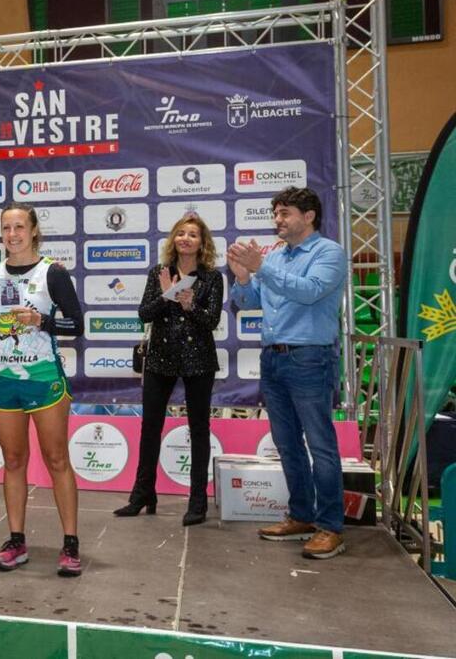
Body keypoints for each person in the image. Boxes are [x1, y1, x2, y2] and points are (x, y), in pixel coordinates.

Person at [228, 186, 348, 559]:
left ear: (308, 216)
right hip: (274, 358)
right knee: (287, 444)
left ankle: (330, 527)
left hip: (310, 357)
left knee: (321, 444)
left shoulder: (329, 252)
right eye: (275, 214)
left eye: (285, 213)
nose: (277, 220)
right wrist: (243, 278)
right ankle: (301, 516)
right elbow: (248, 303)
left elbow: (310, 292)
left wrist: (261, 268)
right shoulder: (276, 254)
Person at [0, 203, 84, 576]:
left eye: (20, 227)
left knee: (57, 460)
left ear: (34, 230)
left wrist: (42, 320)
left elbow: (77, 325)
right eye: (6, 228)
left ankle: (70, 544)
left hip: (43, 379)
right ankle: (15, 540)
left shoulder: (52, 273)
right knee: (12, 462)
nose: (13, 235)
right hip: (2, 379)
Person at [114, 214, 223, 526]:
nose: (185, 238)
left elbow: (212, 320)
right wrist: (167, 295)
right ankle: (142, 494)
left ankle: (198, 501)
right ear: (173, 239)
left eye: (192, 235)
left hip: (198, 359)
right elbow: (144, 313)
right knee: (150, 426)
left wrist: (190, 304)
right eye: (181, 233)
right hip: (161, 358)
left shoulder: (212, 278)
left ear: (202, 243)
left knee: (199, 429)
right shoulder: (159, 273)